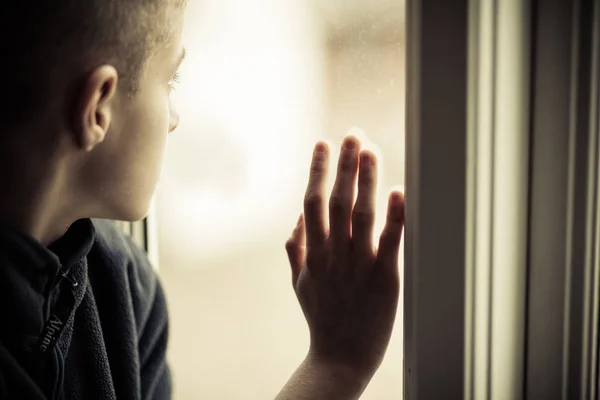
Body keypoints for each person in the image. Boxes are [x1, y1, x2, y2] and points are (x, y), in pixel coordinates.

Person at [0, 0, 405, 399]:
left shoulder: (123, 281)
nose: (174, 119)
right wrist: (336, 365)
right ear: (98, 108)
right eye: (170, 82)